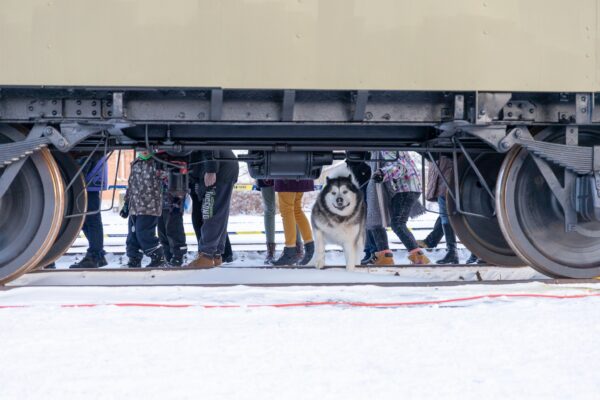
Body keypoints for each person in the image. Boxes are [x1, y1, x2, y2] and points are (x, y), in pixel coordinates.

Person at [366, 150, 430, 265]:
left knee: (398, 223)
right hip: (407, 188)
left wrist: (382, 173)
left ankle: (418, 256)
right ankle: (385, 256)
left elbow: (400, 166)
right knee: (382, 221)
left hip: (405, 188)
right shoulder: (391, 148)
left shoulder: (385, 148)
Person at [186, 150, 238, 268]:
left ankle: (207, 256)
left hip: (219, 169)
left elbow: (210, 145)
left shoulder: (195, 131)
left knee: (211, 212)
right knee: (216, 212)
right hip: (219, 167)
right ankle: (215, 255)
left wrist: (211, 170)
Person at [121, 151, 165, 268]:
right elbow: (131, 185)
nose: (145, 151)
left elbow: (165, 181)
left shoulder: (157, 163)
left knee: (144, 233)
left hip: (149, 207)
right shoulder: (135, 163)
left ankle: (158, 256)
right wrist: (126, 203)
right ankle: (134, 258)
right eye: (142, 149)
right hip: (134, 207)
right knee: (132, 235)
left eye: (148, 149)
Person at [69, 153, 108, 269]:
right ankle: (97, 254)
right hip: (90, 180)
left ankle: (95, 255)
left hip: (88, 181)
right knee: (87, 221)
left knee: (91, 220)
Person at [418, 155, 458, 264]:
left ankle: (452, 252)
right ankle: (453, 252)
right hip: (446, 181)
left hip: (445, 181)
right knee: (447, 216)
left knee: (446, 216)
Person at [258, 179, 303, 264]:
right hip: (265, 171)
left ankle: (298, 249)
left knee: (291, 208)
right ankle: (270, 251)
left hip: (284, 170)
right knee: (269, 209)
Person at [272, 178, 314, 266]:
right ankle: (310, 247)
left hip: (286, 175)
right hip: (301, 174)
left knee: (287, 210)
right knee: (296, 210)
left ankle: (290, 251)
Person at [156, 155, 188, 267]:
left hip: (174, 196)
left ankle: (178, 256)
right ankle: (168, 255)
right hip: (160, 199)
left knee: (174, 226)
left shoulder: (176, 158)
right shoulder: (157, 158)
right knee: (162, 229)